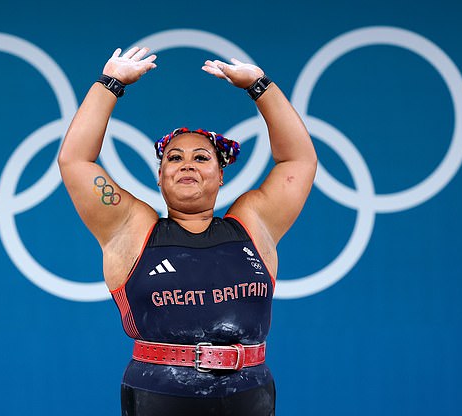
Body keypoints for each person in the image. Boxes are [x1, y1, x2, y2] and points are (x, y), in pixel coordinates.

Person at [58, 46, 317, 416]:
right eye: (174, 158)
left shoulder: (253, 224)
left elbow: (299, 159)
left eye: (201, 157)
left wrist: (261, 86)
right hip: (160, 397)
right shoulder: (132, 228)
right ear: (160, 177)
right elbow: (75, 160)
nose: (187, 165)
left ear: (221, 174)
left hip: (250, 394)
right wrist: (109, 83)